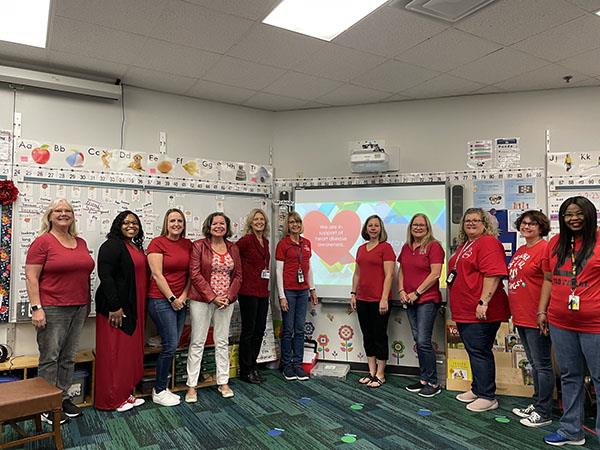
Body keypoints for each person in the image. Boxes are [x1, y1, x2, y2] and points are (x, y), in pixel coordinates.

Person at [25, 198, 94, 424]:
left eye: (68, 210)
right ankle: (46, 406)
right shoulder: (42, 242)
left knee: (68, 356)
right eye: (58, 210)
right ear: (50, 216)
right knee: (50, 357)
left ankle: (61, 398)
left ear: (73, 216)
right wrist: (37, 308)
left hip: (79, 306)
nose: (63, 214)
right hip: (53, 307)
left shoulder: (80, 242)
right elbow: (31, 277)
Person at [538, 197, 600, 447]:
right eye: (567, 215)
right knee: (569, 376)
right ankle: (571, 430)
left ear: (589, 214)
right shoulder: (555, 243)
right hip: (561, 323)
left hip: (595, 324)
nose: (573, 218)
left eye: (578, 213)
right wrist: (542, 311)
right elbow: (549, 280)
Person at [449, 207, 509, 412]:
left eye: (476, 220)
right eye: (467, 221)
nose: (471, 224)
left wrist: (483, 302)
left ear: (485, 224)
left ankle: (488, 396)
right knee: (473, 350)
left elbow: (493, 274)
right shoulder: (467, 244)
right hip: (465, 309)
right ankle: (478, 388)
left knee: (480, 351)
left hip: (480, 310)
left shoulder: (488, 242)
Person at [95, 211, 147, 412]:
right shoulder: (111, 245)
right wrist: (115, 307)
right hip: (116, 310)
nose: (131, 226)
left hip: (133, 307)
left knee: (126, 355)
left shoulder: (133, 245)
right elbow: (105, 277)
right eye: (126, 222)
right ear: (118, 225)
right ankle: (111, 399)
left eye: (135, 222)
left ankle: (125, 394)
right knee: (114, 355)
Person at [186, 212, 241, 402]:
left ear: (227, 227)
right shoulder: (199, 246)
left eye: (222, 223)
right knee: (198, 342)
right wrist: (212, 296)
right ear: (208, 226)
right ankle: (191, 386)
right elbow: (195, 274)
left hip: (226, 301)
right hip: (201, 300)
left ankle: (223, 381)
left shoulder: (233, 248)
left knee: (222, 341)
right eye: (215, 223)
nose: (219, 226)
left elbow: (238, 276)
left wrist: (228, 296)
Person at [507, 210, 554, 427]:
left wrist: (541, 312)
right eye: (524, 223)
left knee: (542, 365)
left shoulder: (545, 249)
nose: (527, 227)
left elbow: (549, 281)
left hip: (536, 315)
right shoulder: (522, 249)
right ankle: (536, 403)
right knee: (534, 364)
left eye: (532, 224)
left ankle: (544, 412)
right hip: (521, 315)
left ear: (541, 227)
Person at [147, 209, 192, 406]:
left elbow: (192, 274)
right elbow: (157, 274)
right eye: (172, 220)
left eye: (179, 221)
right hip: (160, 300)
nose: (176, 224)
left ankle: (163, 387)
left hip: (181, 300)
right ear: (166, 223)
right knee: (170, 345)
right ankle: (158, 390)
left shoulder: (188, 244)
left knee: (173, 345)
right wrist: (173, 297)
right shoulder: (157, 243)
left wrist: (183, 296)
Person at [398, 213, 445, 397]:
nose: (418, 228)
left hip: (427, 300)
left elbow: (435, 274)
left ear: (427, 228)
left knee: (424, 340)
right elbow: (401, 271)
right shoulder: (406, 247)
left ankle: (433, 383)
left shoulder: (434, 246)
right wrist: (401, 291)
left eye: (422, 225)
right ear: (410, 227)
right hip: (408, 300)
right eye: (415, 225)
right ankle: (424, 379)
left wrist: (416, 292)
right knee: (418, 340)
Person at [350, 215, 395, 389]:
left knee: (379, 336)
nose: (373, 228)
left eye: (376, 225)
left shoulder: (386, 248)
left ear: (381, 228)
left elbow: (390, 275)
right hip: (362, 299)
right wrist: (353, 293)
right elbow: (357, 274)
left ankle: (381, 374)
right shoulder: (361, 249)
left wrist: (384, 298)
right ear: (366, 228)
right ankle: (371, 372)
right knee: (367, 335)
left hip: (379, 301)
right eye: (370, 225)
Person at [276, 212, 318, 381]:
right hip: (289, 291)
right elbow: (278, 271)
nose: (295, 224)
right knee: (288, 329)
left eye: (298, 221)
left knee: (300, 329)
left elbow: (309, 269)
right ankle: (286, 365)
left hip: (303, 291)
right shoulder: (283, 244)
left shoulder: (306, 243)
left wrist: (313, 289)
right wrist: (281, 296)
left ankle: (298, 364)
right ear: (288, 225)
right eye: (292, 222)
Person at [236, 209, 270, 384]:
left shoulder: (265, 241)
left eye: (262, 219)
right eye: (256, 219)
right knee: (248, 332)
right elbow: (233, 255)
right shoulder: (246, 241)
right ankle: (245, 369)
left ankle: (253, 365)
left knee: (260, 330)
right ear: (250, 222)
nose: (259, 222)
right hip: (248, 292)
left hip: (263, 292)